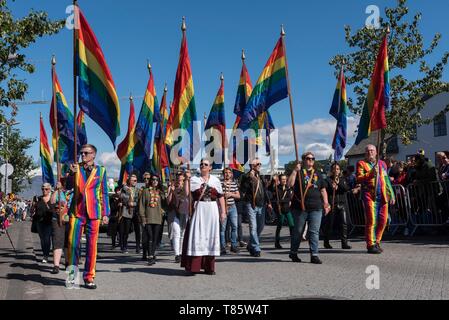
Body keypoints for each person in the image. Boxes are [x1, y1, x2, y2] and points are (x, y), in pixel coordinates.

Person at [67, 144, 109, 289]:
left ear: (93, 155)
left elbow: (104, 193)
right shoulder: (75, 167)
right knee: (73, 245)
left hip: (94, 213)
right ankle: (72, 277)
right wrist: (71, 174)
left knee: (92, 246)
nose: (83, 155)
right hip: (77, 212)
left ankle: (89, 277)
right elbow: (67, 186)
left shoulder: (101, 170)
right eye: (81, 153)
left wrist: (105, 213)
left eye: (86, 153)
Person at [181, 159, 226, 275]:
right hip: (200, 209)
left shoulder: (215, 180)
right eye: (201, 164)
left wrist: (223, 212)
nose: (203, 166)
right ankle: (194, 267)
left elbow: (220, 197)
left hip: (212, 209)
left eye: (205, 164)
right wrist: (186, 179)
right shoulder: (194, 180)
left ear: (210, 167)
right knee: (198, 235)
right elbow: (186, 193)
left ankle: (209, 267)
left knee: (211, 235)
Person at [288, 152, 331, 264]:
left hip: (316, 207)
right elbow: (290, 184)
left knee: (314, 231)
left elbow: (323, 189)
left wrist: (326, 203)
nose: (311, 160)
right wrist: (294, 171)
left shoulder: (317, 173)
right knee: (298, 231)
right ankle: (293, 252)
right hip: (300, 207)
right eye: (308, 158)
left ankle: (314, 255)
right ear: (303, 160)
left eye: (312, 158)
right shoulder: (298, 172)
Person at [356, 145, 395, 254]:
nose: (370, 153)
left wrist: (391, 194)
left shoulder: (382, 164)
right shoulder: (361, 163)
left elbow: (386, 180)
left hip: (383, 195)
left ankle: (377, 241)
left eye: (372, 150)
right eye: (367, 151)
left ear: (376, 152)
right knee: (372, 220)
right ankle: (370, 244)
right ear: (365, 153)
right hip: (370, 195)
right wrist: (371, 173)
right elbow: (359, 178)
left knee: (383, 220)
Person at [239, 158, 272, 257]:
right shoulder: (246, 176)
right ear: (251, 165)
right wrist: (249, 178)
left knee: (260, 227)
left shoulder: (260, 176)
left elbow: (264, 191)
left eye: (260, 164)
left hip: (261, 204)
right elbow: (242, 189)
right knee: (253, 227)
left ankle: (250, 244)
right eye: (257, 164)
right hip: (251, 204)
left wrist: (269, 203)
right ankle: (256, 248)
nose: (259, 165)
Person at [322, 163, 352, 250]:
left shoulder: (342, 179)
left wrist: (339, 184)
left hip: (342, 204)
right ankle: (326, 241)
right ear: (332, 170)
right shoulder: (327, 180)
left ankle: (344, 243)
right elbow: (326, 190)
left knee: (344, 223)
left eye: (338, 169)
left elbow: (346, 189)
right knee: (329, 224)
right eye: (334, 169)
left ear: (340, 171)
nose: (336, 170)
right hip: (332, 204)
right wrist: (332, 187)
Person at [139, 174, 166, 265]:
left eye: (157, 180)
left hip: (158, 218)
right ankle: (150, 256)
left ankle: (152, 254)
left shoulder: (160, 192)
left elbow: (165, 204)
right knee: (150, 237)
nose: (155, 181)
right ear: (151, 181)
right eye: (153, 179)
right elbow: (141, 205)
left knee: (155, 238)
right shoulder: (145, 191)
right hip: (148, 218)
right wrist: (143, 217)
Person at [167, 171, 189, 263]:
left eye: (181, 178)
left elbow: (187, 194)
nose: (179, 180)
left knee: (183, 233)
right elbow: (168, 201)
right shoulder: (172, 187)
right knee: (176, 233)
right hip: (174, 212)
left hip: (184, 212)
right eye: (178, 178)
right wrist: (170, 190)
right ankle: (177, 254)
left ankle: (180, 252)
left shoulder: (187, 186)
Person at [220, 168, 241, 254]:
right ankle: (222, 247)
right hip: (223, 208)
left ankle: (234, 245)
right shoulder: (220, 183)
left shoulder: (233, 184)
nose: (227, 174)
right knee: (222, 228)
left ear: (231, 174)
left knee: (234, 226)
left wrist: (231, 194)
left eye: (229, 173)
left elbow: (238, 196)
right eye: (226, 173)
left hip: (232, 207)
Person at [34, 183, 54, 263]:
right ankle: (44, 254)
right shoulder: (38, 198)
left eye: (46, 189)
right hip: (40, 221)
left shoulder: (53, 198)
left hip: (49, 221)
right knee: (42, 239)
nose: (44, 190)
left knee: (47, 238)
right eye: (42, 189)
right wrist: (33, 205)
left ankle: (46, 255)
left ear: (49, 189)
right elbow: (34, 210)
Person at [50, 182, 67, 274]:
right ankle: (56, 265)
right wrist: (57, 190)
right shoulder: (58, 192)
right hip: (57, 219)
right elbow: (52, 202)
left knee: (69, 241)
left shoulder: (73, 191)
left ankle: (68, 263)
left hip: (72, 218)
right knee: (57, 240)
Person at [273, 174, 294, 249]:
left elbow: (289, 198)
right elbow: (274, 198)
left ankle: (293, 242)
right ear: (279, 180)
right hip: (280, 210)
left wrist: (281, 200)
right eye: (282, 179)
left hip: (287, 209)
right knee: (279, 226)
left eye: (285, 179)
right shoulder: (276, 188)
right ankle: (277, 242)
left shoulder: (288, 188)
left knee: (292, 225)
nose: (284, 180)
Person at [119, 174, 139, 254]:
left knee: (138, 230)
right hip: (127, 211)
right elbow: (122, 197)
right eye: (133, 180)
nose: (135, 182)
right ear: (129, 181)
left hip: (136, 212)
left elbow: (139, 200)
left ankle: (138, 247)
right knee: (126, 230)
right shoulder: (125, 189)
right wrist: (128, 199)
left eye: (136, 180)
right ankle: (124, 246)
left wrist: (133, 204)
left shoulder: (138, 190)